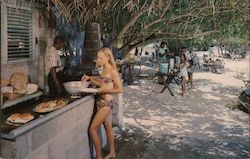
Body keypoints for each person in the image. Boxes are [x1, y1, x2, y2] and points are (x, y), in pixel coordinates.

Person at [81, 48, 122, 159]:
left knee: (92, 129)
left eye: (100, 58)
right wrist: (90, 78)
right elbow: (102, 83)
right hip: (100, 101)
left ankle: (98, 156)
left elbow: (119, 89)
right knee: (108, 126)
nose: (98, 59)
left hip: (106, 103)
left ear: (107, 57)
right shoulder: (103, 69)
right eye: (97, 57)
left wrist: (104, 91)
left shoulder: (112, 71)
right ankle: (112, 152)